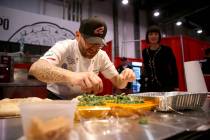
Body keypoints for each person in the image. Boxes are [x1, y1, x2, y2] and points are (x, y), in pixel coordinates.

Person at [29, 16, 136, 99]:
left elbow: (119, 83)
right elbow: (36, 69)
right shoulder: (65, 46)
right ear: (78, 35)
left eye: (98, 44)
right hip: (58, 99)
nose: (94, 48)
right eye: (90, 42)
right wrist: (73, 77)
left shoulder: (101, 55)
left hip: (84, 100)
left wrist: (125, 77)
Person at [140, 25, 178, 92]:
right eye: (151, 34)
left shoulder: (167, 50)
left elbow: (174, 68)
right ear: (147, 37)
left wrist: (176, 86)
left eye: (156, 34)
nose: (153, 36)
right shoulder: (145, 52)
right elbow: (146, 70)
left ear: (159, 36)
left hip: (167, 86)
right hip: (150, 87)